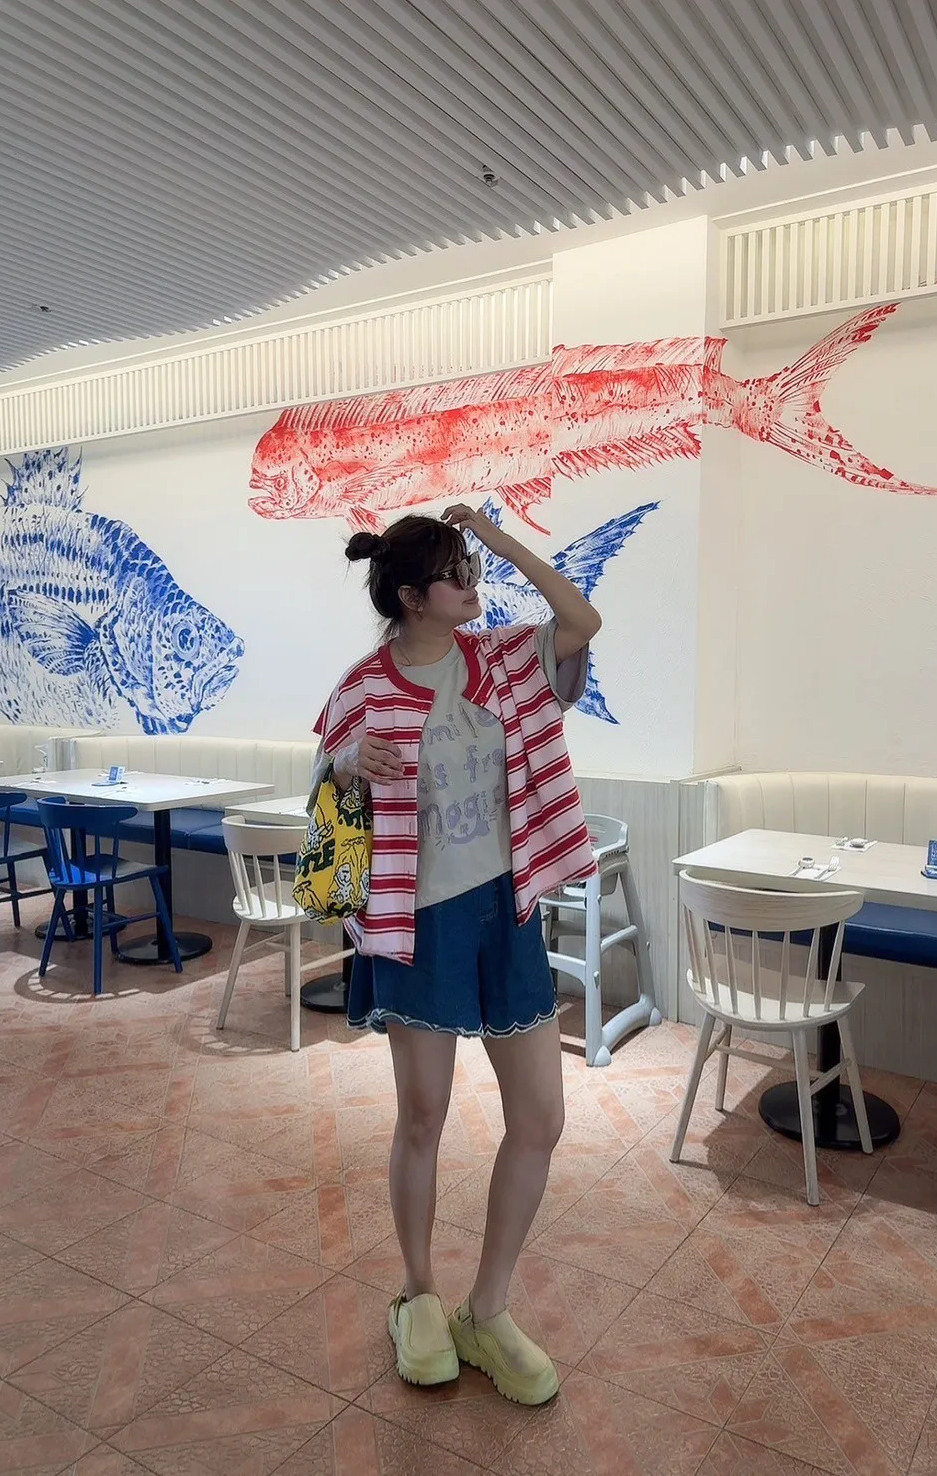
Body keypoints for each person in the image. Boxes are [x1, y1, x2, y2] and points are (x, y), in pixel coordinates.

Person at [313, 503, 601, 1406]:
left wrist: (502, 540)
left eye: (474, 570)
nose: (474, 585)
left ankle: (489, 1305)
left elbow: (582, 620)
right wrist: (348, 761)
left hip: (505, 911)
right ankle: (419, 1293)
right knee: (423, 1116)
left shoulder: (502, 660)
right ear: (411, 597)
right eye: (457, 574)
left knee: (541, 1116)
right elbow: (322, 788)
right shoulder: (363, 687)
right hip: (419, 921)